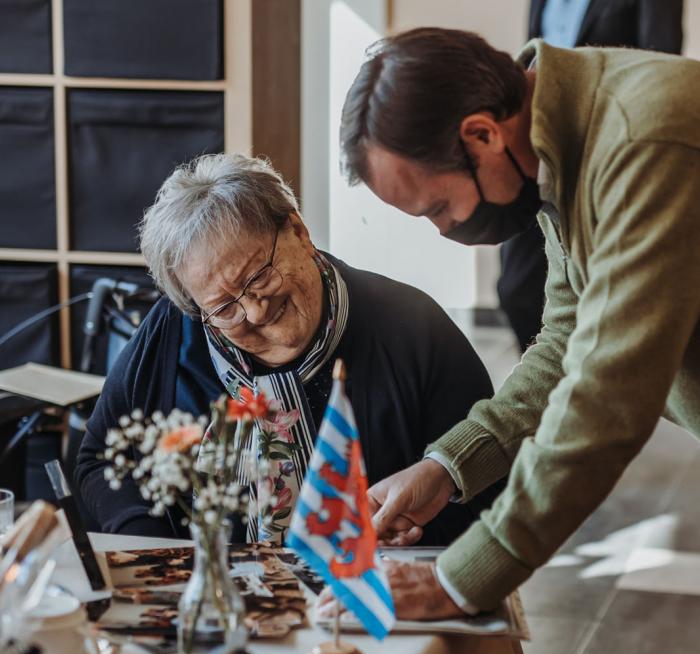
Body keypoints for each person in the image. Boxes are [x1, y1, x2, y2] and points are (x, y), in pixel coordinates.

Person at [339, 27, 700, 618]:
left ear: (481, 134)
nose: (445, 230)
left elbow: (607, 395)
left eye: (437, 207)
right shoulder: (561, 143)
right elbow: (566, 341)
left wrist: (459, 578)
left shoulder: (642, 140)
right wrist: (446, 466)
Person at [76, 152, 501, 545]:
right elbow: (97, 462)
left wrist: (414, 532)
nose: (255, 311)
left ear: (298, 230)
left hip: (371, 594)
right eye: (225, 307)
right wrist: (157, 550)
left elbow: (488, 475)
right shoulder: (175, 329)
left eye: (258, 276)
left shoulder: (412, 328)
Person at [500, 0, 684, 352]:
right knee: (515, 288)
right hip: (542, 145)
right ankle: (557, 376)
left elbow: (662, 61)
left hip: (611, 146)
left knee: (607, 294)